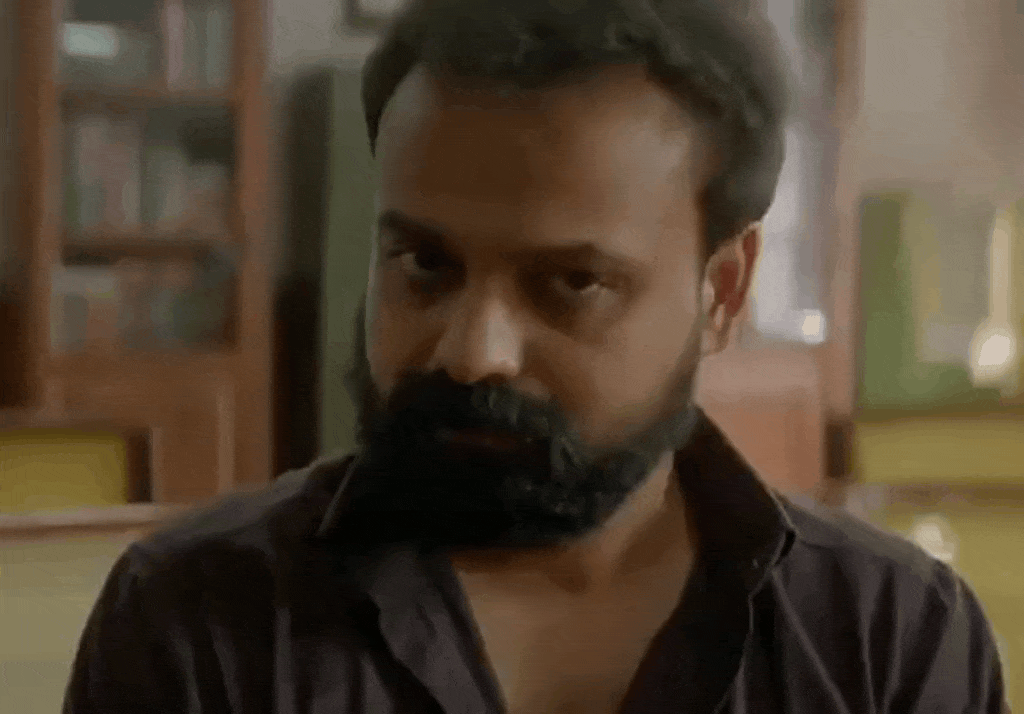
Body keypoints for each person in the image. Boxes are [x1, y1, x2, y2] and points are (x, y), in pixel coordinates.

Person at [64, 0, 1009, 712]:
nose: (471, 351)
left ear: (722, 293)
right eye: (423, 265)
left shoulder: (888, 642)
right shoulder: (196, 621)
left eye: (572, 284)